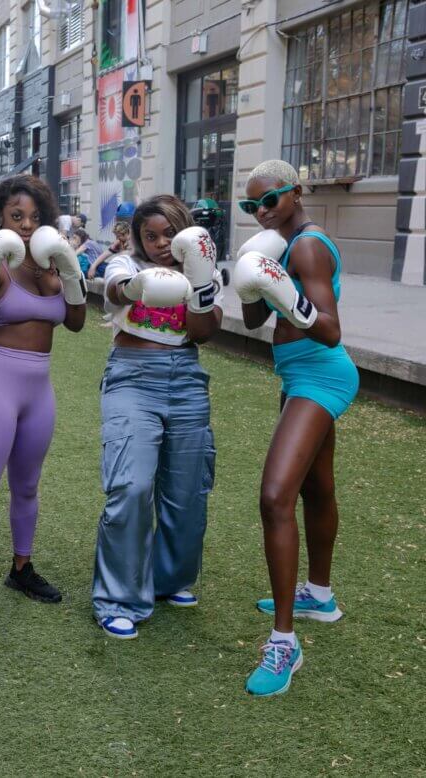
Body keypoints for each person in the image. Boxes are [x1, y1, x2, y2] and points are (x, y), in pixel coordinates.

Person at [234, 160, 358, 698]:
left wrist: (284, 289)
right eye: (252, 205)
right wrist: (250, 286)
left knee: (274, 496)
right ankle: (320, 597)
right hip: (297, 374)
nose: (261, 211)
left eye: (271, 199)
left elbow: (329, 331)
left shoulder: (306, 246)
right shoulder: (276, 247)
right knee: (315, 487)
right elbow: (260, 323)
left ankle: (284, 641)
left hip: (321, 374)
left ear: (297, 192)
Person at [0, 175, 86, 639]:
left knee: (27, 487)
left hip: (38, 385)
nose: (27, 227)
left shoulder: (50, 268)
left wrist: (69, 273)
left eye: (34, 218)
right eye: (16, 217)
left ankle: (21, 568)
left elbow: (75, 323)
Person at [92, 194, 224, 640]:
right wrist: (135, 287)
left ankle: (169, 578)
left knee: (188, 488)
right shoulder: (126, 267)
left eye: (170, 233)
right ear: (138, 238)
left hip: (186, 378)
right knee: (132, 484)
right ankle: (117, 597)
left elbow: (203, 333)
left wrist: (201, 286)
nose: (161, 243)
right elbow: (112, 291)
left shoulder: (202, 266)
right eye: (151, 235)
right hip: (132, 378)